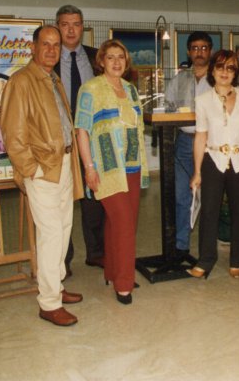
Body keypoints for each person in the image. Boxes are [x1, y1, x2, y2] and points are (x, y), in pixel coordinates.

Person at [0, 25, 84, 327]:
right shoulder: (21, 82)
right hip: (42, 170)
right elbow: (12, 135)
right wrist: (32, 170)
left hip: (63, 165)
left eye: (56, 45)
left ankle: (57, 287)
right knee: (50, 235)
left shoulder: (53, 78)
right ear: (32, 48)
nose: (51, 50)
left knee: (63, 229)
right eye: (45, 44)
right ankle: (49, 303)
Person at [74, 39, 149, 305]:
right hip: (106, 167)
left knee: (118, 223)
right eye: (111, 57)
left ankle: (113, 271)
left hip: (131, 165)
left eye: (121, 57)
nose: (116, 62)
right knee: (124, 224)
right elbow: (81, 130)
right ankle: (124, 283)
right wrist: (89, 167)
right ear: (101, 61)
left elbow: (137, 129)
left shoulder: (130, 90)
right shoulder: (90, 89)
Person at [187, 50, 239, 279]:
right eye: (220, 67)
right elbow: (200, 136)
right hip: (213, 160)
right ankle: (206, 260)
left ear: (235, 73)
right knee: (209, 211)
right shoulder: (203, 100)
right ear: (212, 70)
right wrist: (197, 172)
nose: (225, 72)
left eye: (231, 68)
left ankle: (237, 259)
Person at [55, 4, 106, 277]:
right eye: (65, 24)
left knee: (94, 197)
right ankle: (63, 258)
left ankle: (96, 252)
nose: (71, 29)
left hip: (92, 139)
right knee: (62, 201)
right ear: (57, 27)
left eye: (76, 24)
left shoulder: (96, 58)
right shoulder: (48, 61)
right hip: (60, 140)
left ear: (83, 27)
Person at [164, 32, 213, 256]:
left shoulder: (218, 77)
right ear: (188, 52)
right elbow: (167, 106)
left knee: (210, 198)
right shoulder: (179, 79)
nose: (199, 52)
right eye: (194, 48)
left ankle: (207, 249)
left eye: (203, 48)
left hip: (212, 144)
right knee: (182, 197)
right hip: (185, 143)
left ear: (210, 50)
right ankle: (181, 245)